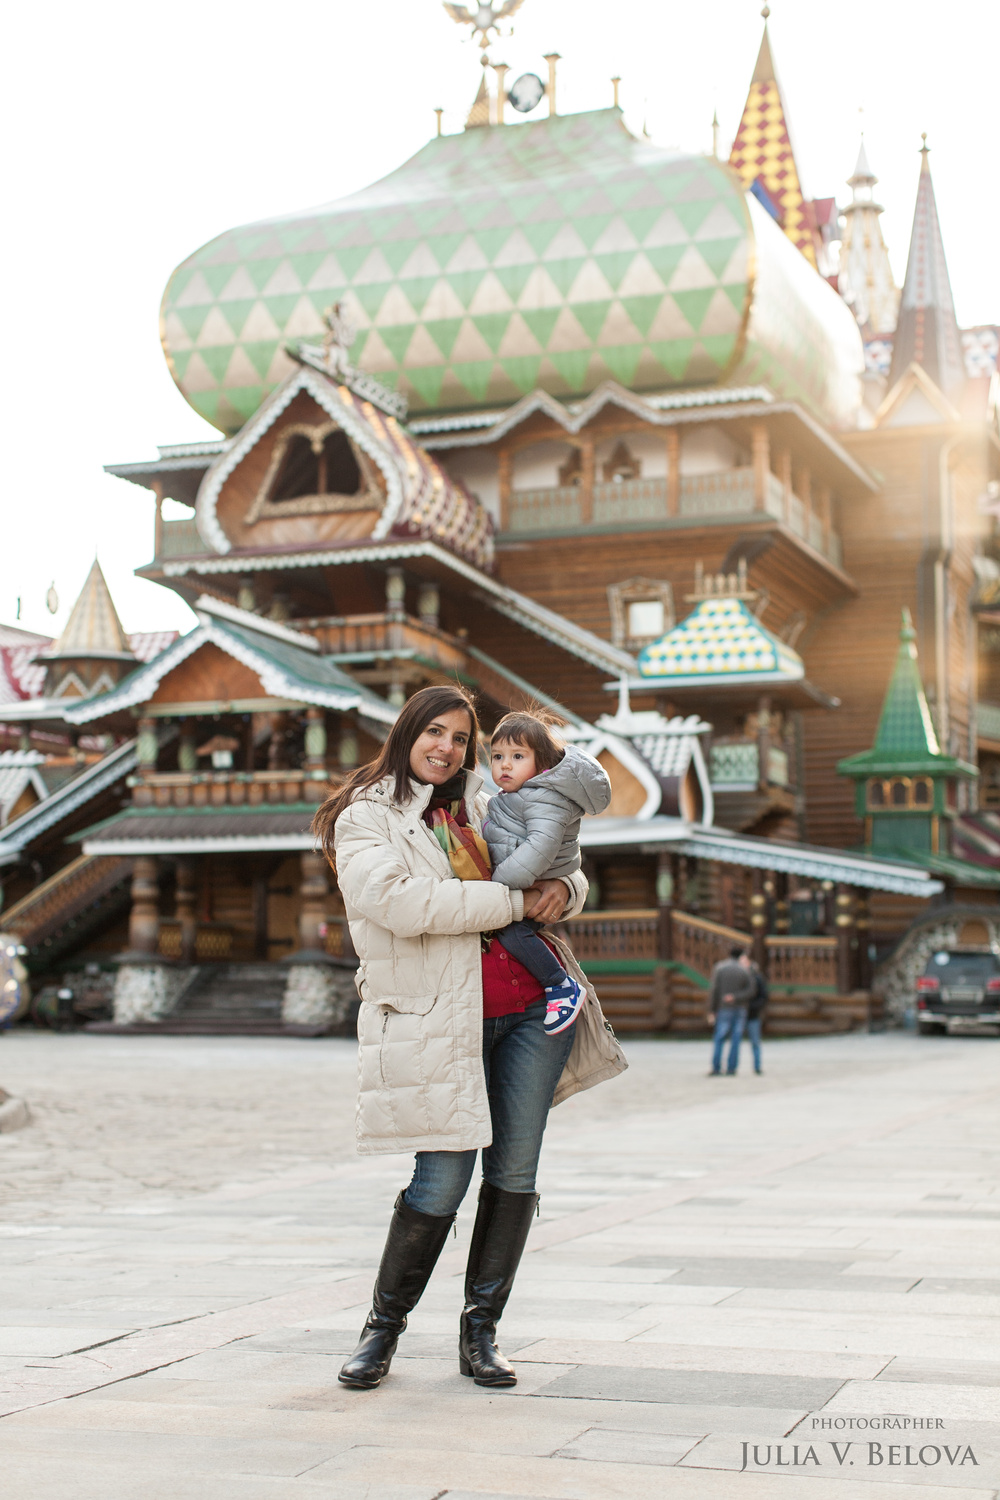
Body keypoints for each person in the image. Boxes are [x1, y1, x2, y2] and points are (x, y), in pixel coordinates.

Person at [313, 684, 626, 1393]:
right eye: (435, 733)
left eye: (460, 738)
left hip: (529, 1016)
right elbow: (397, 902)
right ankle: (381, 1331)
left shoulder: (490, 796)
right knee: (441, 1178)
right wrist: (516, 899)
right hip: (439, 1020)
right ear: (407, 733)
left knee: (514, 1176)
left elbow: (565, 861)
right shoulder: (368, 817)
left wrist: (566, 893)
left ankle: (480, 1333)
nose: (447, 749)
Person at [484, 710, 611, 1035]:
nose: (504, 765)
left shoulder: (544, 797)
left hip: (528, 886)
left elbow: (540, 846)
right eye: (497, 756)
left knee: (515, 933)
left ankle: (560, 985)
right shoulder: (513, 796)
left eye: (517, 756)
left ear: (542, 765)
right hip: (527, 884)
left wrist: (499, 888)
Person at [706, 944, 755, 1076]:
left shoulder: (720, 968)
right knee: (736, 1038)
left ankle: (716, 1067)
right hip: (740, 1009)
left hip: (723, 1009)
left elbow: (714, 990)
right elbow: (751, 990)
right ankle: (731, 1068)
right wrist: (736, 997)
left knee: (720, 1037)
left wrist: (712, 1009)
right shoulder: (744, 970)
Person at [741, 951, 768, 1075]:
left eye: (745, 962)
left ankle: (757, 1066)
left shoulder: (756, 977)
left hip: (752, 1014)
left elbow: (763, 996)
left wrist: (753, 1007)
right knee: (734, 1041)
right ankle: (731, 1067)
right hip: (738, 1014)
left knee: (755, 1042)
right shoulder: (737, 976)